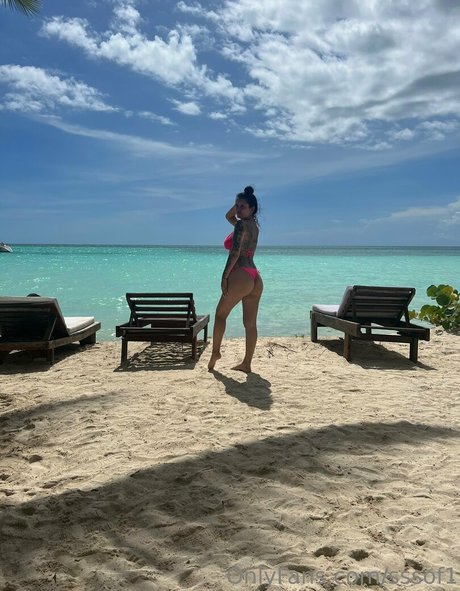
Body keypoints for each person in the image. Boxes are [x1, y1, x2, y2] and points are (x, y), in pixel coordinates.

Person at [208, 186, 263, 373]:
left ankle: (216, 352)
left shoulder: (241, 226)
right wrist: (242, 199)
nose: (238, 210)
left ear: (252, 209)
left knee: (220, 315)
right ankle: (247, 363)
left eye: (242, 207)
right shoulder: (254, 227)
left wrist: (224, 276)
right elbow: (229, 216)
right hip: (255, 276)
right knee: (250, 324)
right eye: (236, 206)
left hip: (241, 274)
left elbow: (235, 252)